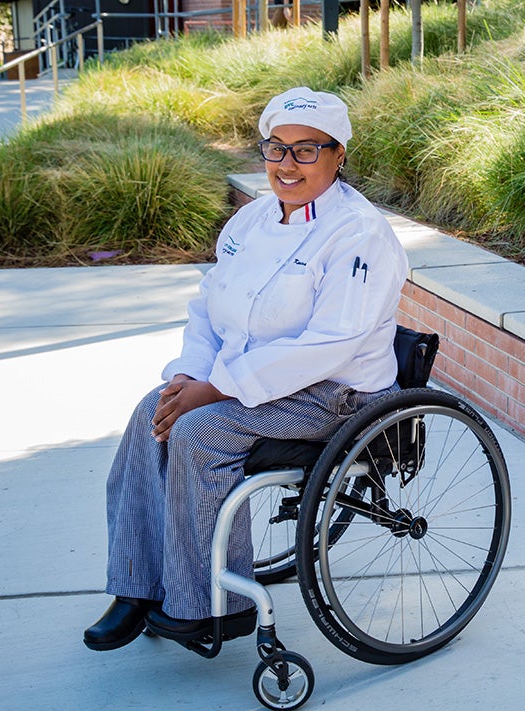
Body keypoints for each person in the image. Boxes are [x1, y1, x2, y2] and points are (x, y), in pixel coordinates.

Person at [83, 87, 409, 651]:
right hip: (249, 379)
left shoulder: (359, 234)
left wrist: (215, 390)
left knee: (200, 431)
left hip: (333, 394)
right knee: (150, 412)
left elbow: (331, 345)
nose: (287, 165)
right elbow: (210, 307)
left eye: (308, 150)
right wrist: (189, 374)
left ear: (338, 155)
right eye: (276, 149)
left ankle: (211, 604)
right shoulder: (251, 221)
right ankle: (136, 586)